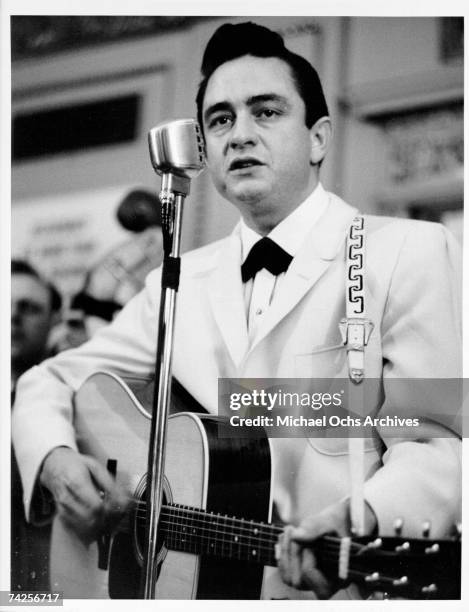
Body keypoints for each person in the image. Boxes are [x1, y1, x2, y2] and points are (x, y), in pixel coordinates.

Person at [12, 22, 461, 600]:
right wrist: (54, 460)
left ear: (319, 138)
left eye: (266, 112)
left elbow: (439, 444)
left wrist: (361, 517)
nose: (240, 134)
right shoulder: (178, 281)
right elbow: (47, 379)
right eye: (220, 119)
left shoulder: (408, 252)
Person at [11, 259, 62, 591]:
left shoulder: (69, 398)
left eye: (28, 308)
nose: (13, 317)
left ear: (54, 321)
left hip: (37, 587)